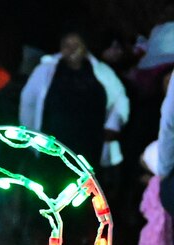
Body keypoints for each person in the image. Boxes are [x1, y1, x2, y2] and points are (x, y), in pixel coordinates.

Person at [19, 29, 129, 179]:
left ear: (85, 47)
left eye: (76, 45)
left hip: (89, 144)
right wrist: (30, 133)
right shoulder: (45, 70)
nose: (71, 50)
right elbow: (28, 100)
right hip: (52, 144)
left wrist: (113, 125)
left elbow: (120, 99)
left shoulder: (102, 72)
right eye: (66, 45)